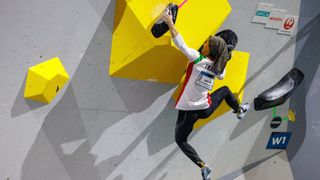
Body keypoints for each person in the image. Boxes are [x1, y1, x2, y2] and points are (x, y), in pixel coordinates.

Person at [161, 11, 250, 180]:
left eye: (208, 43)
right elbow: (223, 68)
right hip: (206, 107)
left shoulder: (197, 59)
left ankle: (203, 166)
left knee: (180, 140)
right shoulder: (219, 69)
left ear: (210, 49)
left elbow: (181, 44)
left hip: (190, 111)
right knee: (224, 90)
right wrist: (226, 54)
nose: (205, 43)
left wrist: (170, 24)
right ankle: (239, 110)